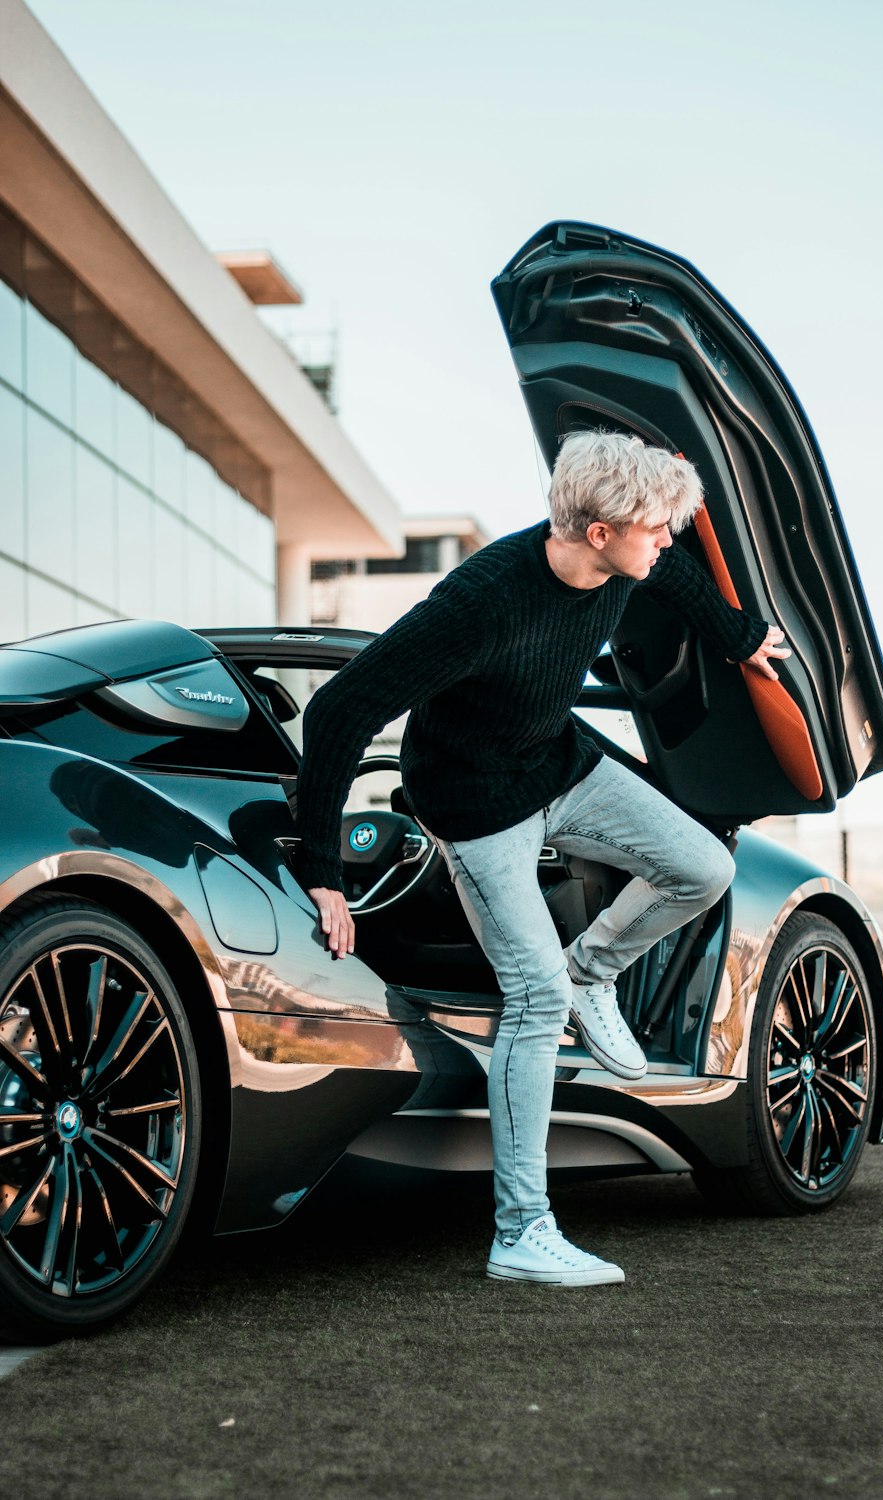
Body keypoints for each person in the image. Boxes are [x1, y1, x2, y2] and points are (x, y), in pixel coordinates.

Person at [296, 432, 790, 1286]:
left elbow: (674, 576)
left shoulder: (622, 559)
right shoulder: (480, 602)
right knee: (534, 995)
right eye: (656, 527)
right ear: (598, 531)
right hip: (476, 804)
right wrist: (322, 875)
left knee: (704, 867)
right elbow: (337, 713)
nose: (668, 539)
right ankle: (522, 1232)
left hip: (557, 760)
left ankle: (594, 972)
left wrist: (741, 635)